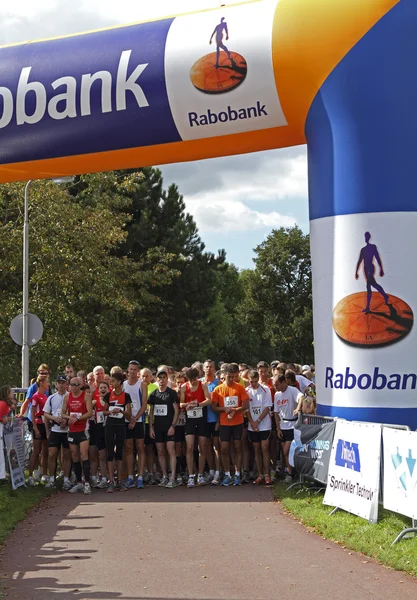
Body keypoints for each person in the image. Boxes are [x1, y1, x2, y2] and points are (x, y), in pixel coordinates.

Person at [212, 363, 249, 486]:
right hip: (224, 423)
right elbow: (214, 407)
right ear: (224, 376)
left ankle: (238, 474)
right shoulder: (218, 389)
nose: (231, 379)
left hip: (238, 422)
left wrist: (235, 410)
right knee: (224, 449)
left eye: (233, 377)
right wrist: (224, 409)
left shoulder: (240, 388)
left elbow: (245, 405)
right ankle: (227, 474)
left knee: (238, 447)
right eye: (229, 377)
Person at [180, 367, 211, 488]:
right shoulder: (184, 387)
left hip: (201, 417)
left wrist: (198, 404)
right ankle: (191, 475)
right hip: (190, 419)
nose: (192, 382)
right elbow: (181, 403)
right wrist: (187, 405)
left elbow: (209, 400)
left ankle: (201, 474)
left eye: (194, 379)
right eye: (190, 380)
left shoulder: (203, 385)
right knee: (190, 447)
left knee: (202, 446)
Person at [61, 376, 93, 494]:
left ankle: (87, 483)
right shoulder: (67, 397)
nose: (74, 387)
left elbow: (89, 413)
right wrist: (70, 418)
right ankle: (79, 482)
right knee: (74, 455)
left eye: (76, 385)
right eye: (72, 384)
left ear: (80, 385)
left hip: (83, 429)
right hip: (72, 430)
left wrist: (78, 418)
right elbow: (63, 413)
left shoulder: (86, 396)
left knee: (83, 454)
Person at [148, 369, 179, 488]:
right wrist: (151, 428)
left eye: (164, 378)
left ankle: (172, 477)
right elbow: (150, 413)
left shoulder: (172, 393)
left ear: (167, 379)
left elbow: (176, 411)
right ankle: (165, 476)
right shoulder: (154, 394)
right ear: (156, 379)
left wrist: (173, 426)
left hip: (169, 426)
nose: (162, 380)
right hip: (158, 427)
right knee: (160, 452)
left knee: (171, 450)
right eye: (159, 378)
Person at [103, 372, 132, 492]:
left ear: (119, 382)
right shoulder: (108, 395)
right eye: (110, 381)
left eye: (113, 381)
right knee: (110, 452)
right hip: (110, 425)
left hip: (120, 425)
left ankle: (119, 480)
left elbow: (129, 413)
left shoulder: (126, 396)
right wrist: (110, 412)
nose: (111, 383)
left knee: (119, 452)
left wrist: (120, 411)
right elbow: (104, 411)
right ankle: (111, 480)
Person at [43, 374, 72, 490]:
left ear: (66, 384)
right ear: (56, 384)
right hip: (55, 429)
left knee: (67, 455)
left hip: (67, 430)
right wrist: (54, 419)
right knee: (52, 454)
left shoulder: (70, 396)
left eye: (63, 383)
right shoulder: (51, 398)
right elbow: (45, 413)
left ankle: (66, 479)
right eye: (59, 382)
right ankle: (51, 479)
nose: (61, 385)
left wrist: (67, 420)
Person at [123, 360, 148, 489]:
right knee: (128, 448)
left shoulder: (142, 384)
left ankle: (140, 477)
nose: (132, 372)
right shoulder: (123, 385)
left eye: (135, 369)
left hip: (138, 420)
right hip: (126, 420)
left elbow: (144, 403)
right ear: (128, 370)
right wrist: (129, 417)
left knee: (140, 447)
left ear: (138, 371)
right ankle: (130, 476)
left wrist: (136, 418)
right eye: (130, 369)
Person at [274, 374, 303, 484]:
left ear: (283, 382)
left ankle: (292, 473)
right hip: (282, 425)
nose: (276, 387)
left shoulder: (292, 390)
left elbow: (301, 397)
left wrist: (298, 408)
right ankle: (289, 472)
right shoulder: (277, 395)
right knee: (284, 452)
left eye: (277, 385)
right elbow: (276, 412)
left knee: (287, 450)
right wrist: (278, 428)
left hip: (292, 424)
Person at [246, 370, 272, 485]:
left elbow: (267, 408)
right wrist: (252, 422)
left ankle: (267, 475)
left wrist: (258, 421)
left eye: (255, 381)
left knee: (265, 448)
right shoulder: (246, 391)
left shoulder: (266, 389)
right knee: (256, 449)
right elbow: (246, 409)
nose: (253, 384)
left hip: (264, 424)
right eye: (251, 382)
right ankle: (260, 474)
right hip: (252, 425)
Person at [355, 231, 389, 313]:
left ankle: (367, 307)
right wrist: (356, 272)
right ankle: (385, 296)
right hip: (365, 269)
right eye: (365, 237)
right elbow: (359, 261)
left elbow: (377, 258)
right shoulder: (363, 250)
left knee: (368, 286)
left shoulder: (373, 247)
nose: (366, 238)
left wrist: (381, 269)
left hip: (370, 267)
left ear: (369, 238)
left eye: (367, 237)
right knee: (373, 284)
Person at [27, 374, 50, 486]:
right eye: (47, 382)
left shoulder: (45, 397)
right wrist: (35, 428)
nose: (48, 384)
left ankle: (44, 474)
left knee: (45, 451)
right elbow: (32, 413)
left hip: (45, 425)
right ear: (41, 383)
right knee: (36, 451)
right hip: (38, 424)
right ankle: (30, 475)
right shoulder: (36, 396)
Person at [202, 359, 220, 485]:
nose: (209, 369)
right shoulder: (199, 383)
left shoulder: (218, 383)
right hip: (203, 420)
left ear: (214, 369)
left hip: (215, 419)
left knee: (216, 447)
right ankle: (211, 471)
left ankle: (218, 472)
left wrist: (219, 420)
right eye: (207, 367)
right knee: (206, 447)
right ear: (203, 369)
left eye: (211, 367)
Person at [93, 380, 110, 488]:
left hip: (110, 429)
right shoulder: (95, 402)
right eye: (101, 388)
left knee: (111, 455)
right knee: (102, 455)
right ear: (98, 390)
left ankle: (113, 477)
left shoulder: (111, 401)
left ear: (108, 390)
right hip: (99, 430)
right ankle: (104, 478)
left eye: (105, 388)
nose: (103, 389)